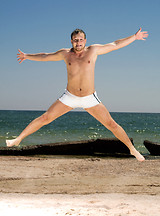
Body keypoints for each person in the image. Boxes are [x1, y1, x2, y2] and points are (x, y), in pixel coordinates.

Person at [6, 28, 148, 161]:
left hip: (89, 98)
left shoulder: (93, 50)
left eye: (80, 40)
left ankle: (132, 149)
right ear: (71, 41)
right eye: (75, 40)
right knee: (45, 117)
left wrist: (134, 37)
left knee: (111, 124)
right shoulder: (65, 54)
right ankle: (18, 138)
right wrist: (27, 56)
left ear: (85, 41)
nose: (78, 43)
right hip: (70, 96)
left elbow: (115, 44)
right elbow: (45, 56)